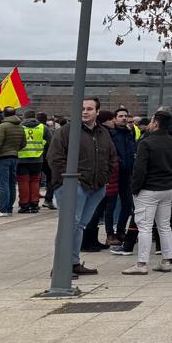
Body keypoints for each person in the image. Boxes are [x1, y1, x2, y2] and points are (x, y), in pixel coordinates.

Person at [45, 97, 118, 277]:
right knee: (69, 225)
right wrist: (69, 181)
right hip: (73, 185)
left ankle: (74, 262)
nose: (85, 111)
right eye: (82, 108)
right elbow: (54, 157)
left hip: (96, 186)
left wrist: (105, 177)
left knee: (79, 225)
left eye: (89, 109)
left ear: (97, 112)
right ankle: (61, 266)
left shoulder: (103, 132)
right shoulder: (66, 131)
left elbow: (111, 156)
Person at [125, 112, 172, 274]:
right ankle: (166, 260)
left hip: (148, 189)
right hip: (167, 188)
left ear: (155, 123)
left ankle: (142, 264)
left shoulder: (146, 143)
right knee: (164, 226)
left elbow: (139, 169)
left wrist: (135, 188)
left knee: (145, 227)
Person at [107, 107, 138, 250]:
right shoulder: (111, 134)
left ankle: (120, 231)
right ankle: (110, 234)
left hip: (127, 174)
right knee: (110, 206)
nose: (124, 118)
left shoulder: (129, 133)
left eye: (126, 115)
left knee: (127, 204)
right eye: (120, 116)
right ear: (115, 118)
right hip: (115, 174)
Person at [0, 107, 26, 216]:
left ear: (4, 115)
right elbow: (24, 143)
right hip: (14, 157)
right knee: (11, 184)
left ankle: (3, 209)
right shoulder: (20, 126)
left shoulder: (2, 126)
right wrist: (14, 150)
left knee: (3, 184)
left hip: (2, 158)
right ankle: (9, 208)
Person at [15, 110, 47, 213]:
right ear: (35, 117)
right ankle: (34, 204)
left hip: (22, 159)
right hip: (37, 159)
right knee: (35, 182)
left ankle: (24, 205)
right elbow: (50, 142)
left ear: (24, 117)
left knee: (23, 182)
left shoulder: (19, 127)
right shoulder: (43, 127)